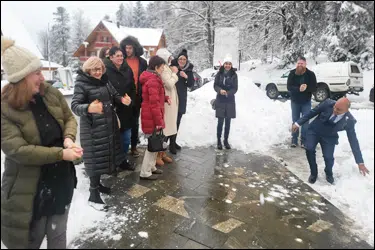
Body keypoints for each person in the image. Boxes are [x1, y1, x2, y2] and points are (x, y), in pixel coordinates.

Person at [1, 37, 82, 249]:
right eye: (36, 73)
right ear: (21, 77)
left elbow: (69, 118)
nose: (42, 76)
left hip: (60, 182)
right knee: (31, 240)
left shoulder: (49, 93)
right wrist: (60, 154)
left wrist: (68, 138)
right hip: (30, 191)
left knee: (58, 238)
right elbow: (17, 150)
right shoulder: (5, 109)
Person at [71, 56, 132, 208]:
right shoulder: (81, 83)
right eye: (94, 69)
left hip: (108, 126)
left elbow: (115, 95)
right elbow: (75, 106)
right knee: (94, 159)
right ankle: (93, 194)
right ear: (88, 70)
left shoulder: (104, 80)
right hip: (93, 129)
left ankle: (98, 186)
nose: (98, 72)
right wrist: (89, 108)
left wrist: (123, 100)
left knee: (103, 157)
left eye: (100, 69)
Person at [292, 97, 370, 184]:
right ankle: (314, 173)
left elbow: (353, 141)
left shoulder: (349, 121)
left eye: (339, 109)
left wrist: (360, 162)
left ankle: (328, 172)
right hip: (314, 131)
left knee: (328, 158)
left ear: (346, 110)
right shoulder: (328, 103)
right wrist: (298, 123)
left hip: (330, 136)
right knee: (309, 149)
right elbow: (312, 112)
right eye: (335, 107)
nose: (335, 110)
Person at [139, 56, 171, 180]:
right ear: (156, 67)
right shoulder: (153, 80)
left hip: (151, 116)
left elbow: (157, 97)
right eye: (162, 67)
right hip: (152, 118)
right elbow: (154, 104)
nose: (163, 70)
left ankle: (151, 167)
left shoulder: (153, 78)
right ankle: (145, 172)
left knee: (155, 143)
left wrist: (166, 98)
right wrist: (159, 121)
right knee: (151, 146)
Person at [104, 46, 136, 168]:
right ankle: (111, 162)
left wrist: (131, 100)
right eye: (117, 55)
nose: (120, 58)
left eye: (121, 55)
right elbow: (103, 89)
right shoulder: (105, 70)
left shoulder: (127, 69)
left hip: (126, 108)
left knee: (126, 138)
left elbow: (133, 87)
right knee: (112, 139)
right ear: (111, 57)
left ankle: (122, 160)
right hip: (112, 109)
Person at [120, 36, 148, 158]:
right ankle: (122, 147)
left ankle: (134, 146)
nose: (128, 50)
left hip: (137, 95)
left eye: (130, 48)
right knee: (123, 121)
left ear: (135, 48)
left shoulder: (142, 62)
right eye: (126, 48)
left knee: (135, 122)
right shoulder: (121, 60)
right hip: (124, 96)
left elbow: (145, 79)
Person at [287, 56, 317, 148]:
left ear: (305, 64)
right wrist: (298, 89)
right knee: (295, 121)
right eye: (298, 63)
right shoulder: (292, 73)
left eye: (302, 63)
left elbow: (314, 87)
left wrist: (306, 88)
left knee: (305, 122)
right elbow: (289, 87)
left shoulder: (310, 74)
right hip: (295, 101)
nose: (300, 65)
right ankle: (294, 140)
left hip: (306, 102)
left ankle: (304, 141)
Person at [156, 48, 178, 163]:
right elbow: (169, 84)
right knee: (164, 131)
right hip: (166, 104)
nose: (170, 59)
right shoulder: (163, 69)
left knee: (168, 130)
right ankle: (158, 155)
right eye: (168, 57)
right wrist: (175, 73)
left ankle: (163, 153)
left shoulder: (166, 68)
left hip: (169, 103)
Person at [170, 49, 195, 150]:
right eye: (180, 58)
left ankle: (173, 141)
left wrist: (186, 77)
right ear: (177, 59)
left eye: (184, 59)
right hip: (172, 98)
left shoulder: (188, 70)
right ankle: (168, 144)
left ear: (186, 60)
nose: (182, 60)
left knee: (177, 121)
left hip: (181, 98)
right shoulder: (172, 68)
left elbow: (191, 84)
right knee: (171, 121)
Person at [214, 55, 238, 150]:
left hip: (230, 100)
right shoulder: (219, 74)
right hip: (220, 99)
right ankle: (219, 140)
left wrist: (228, 93)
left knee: (228, 122)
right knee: (220, 121)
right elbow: (215, 85)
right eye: (226, 63)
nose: (227, 65)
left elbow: (235, 88)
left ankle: (226, 140)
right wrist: (220, 90)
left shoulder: (234, 75)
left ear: (231, 65)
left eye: (229, 64)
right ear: (223, 64)